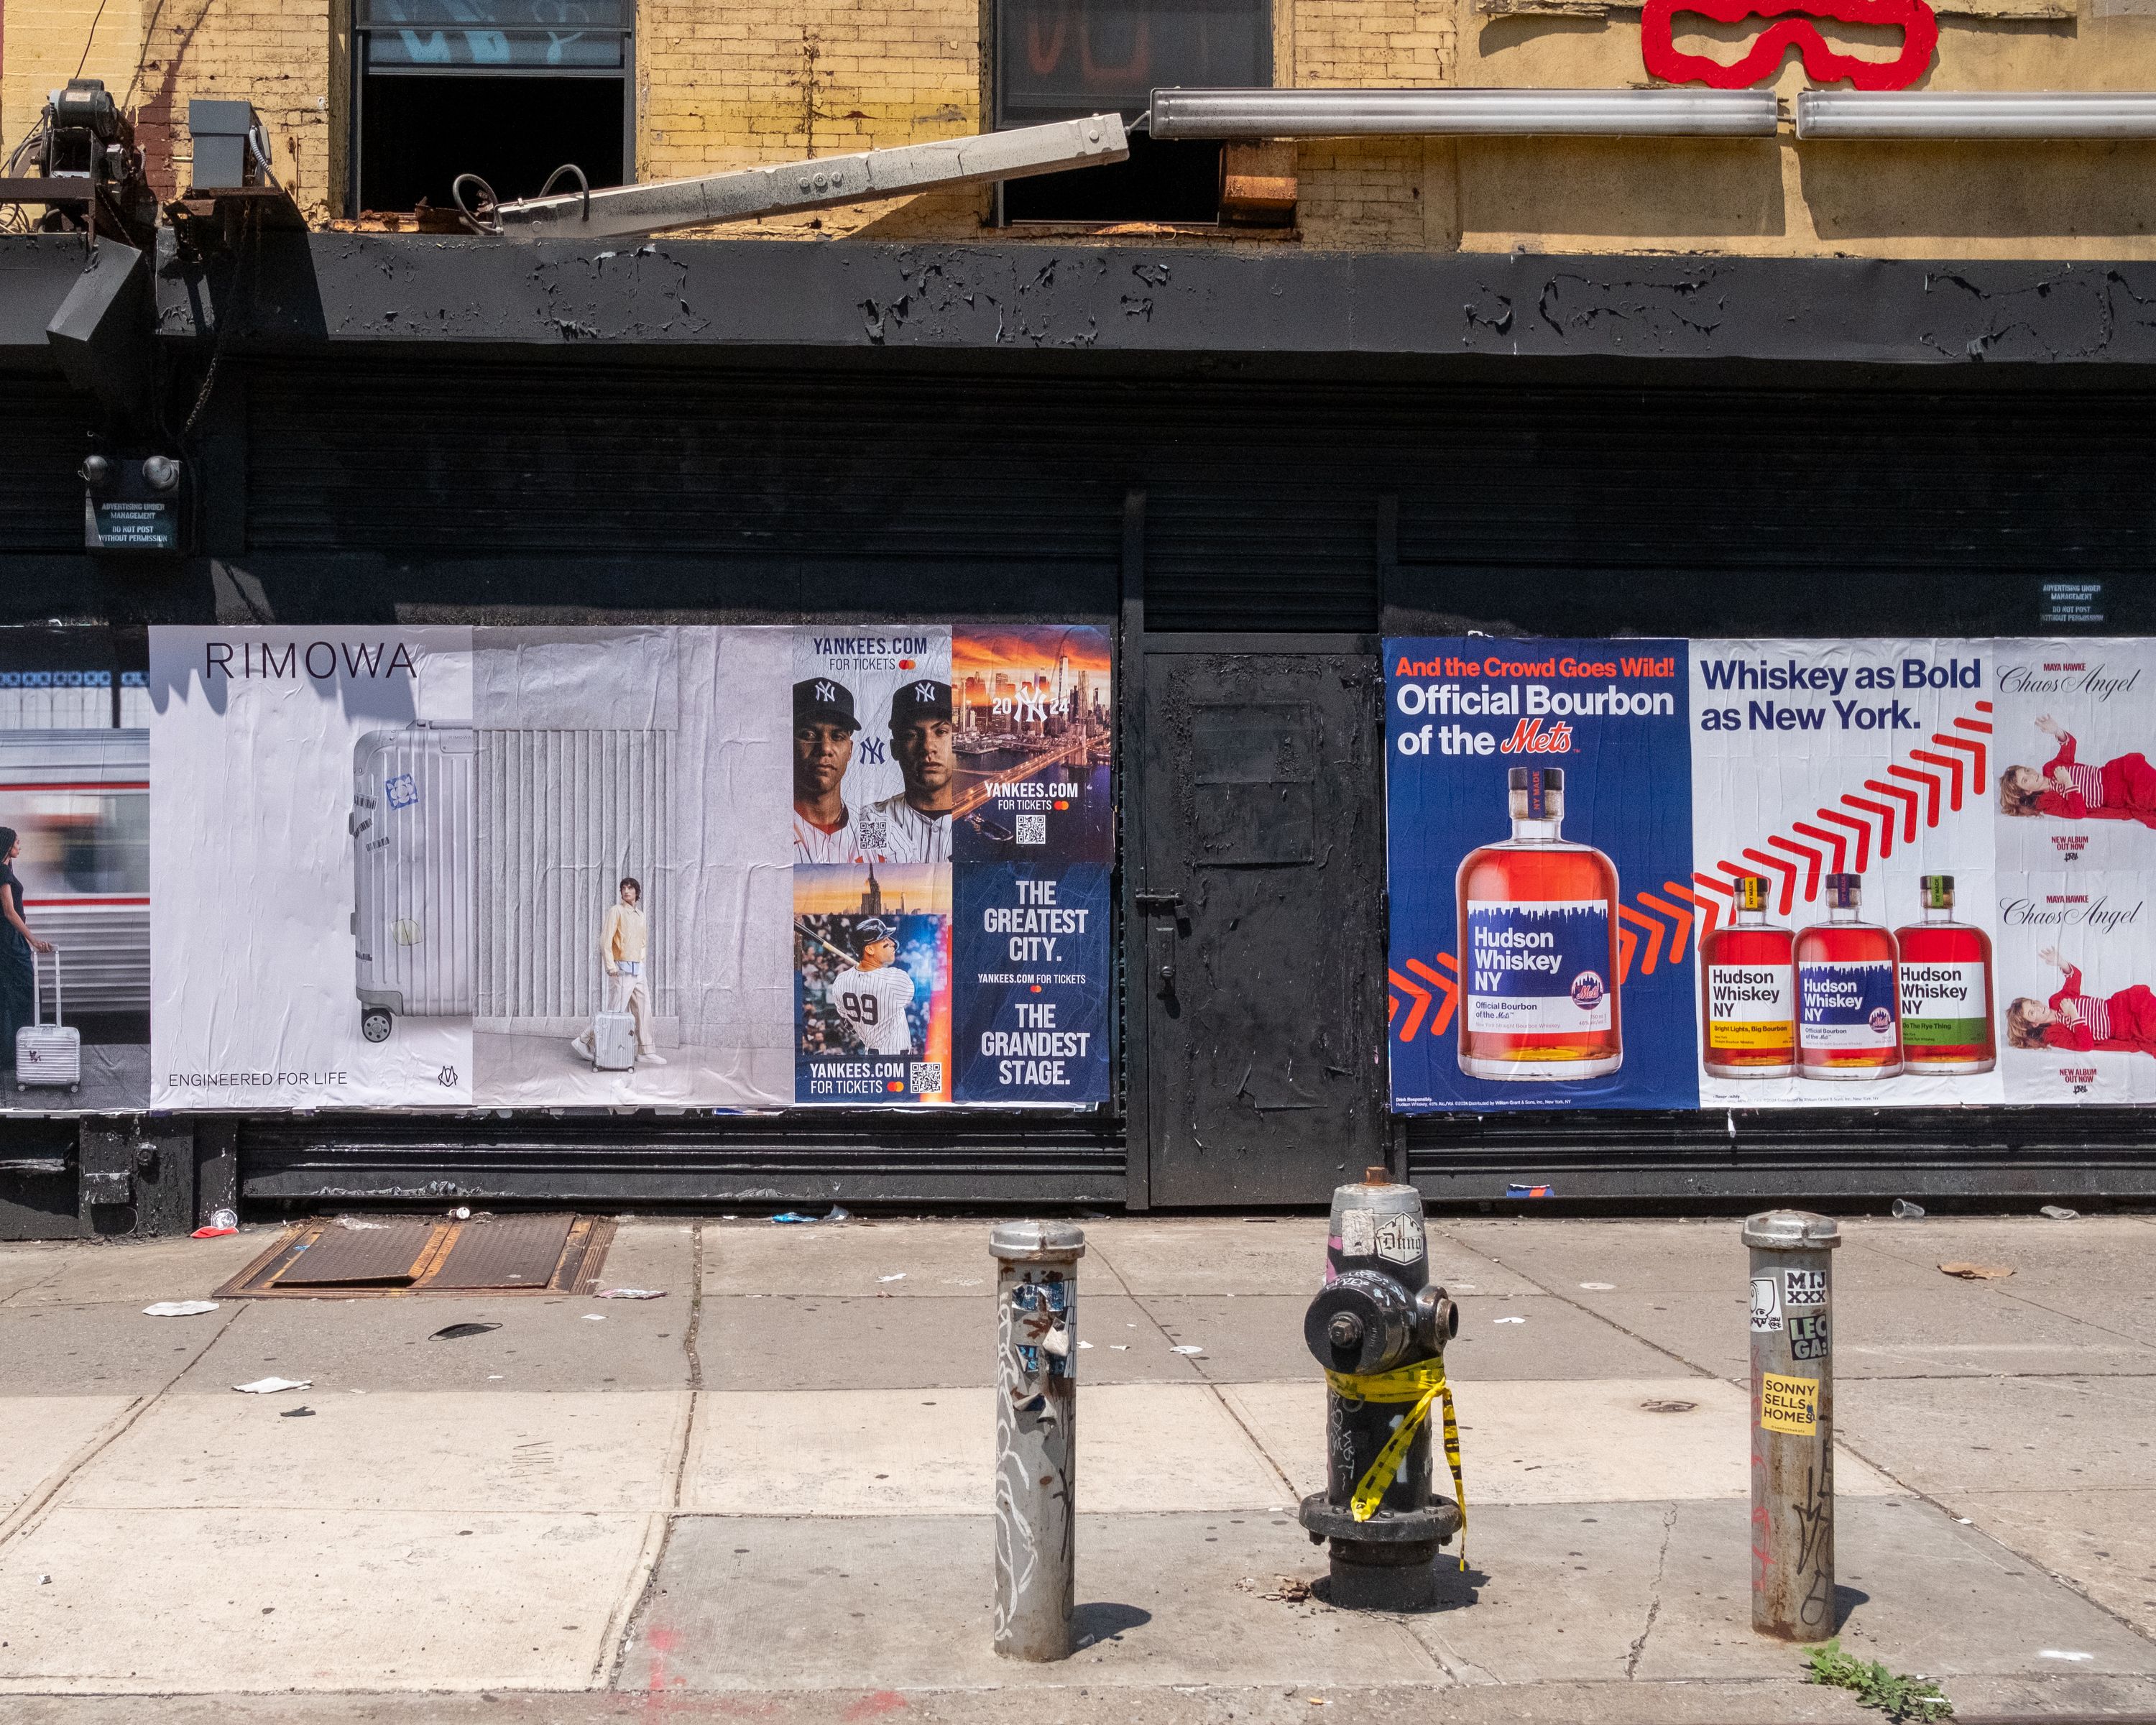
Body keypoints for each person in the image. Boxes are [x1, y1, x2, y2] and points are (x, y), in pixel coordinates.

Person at [571, 876, 668, 1067]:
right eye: (624, 888)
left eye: (630, 888)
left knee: (643, 1008)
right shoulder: (616, 911)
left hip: (638, 969)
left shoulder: (640, 915)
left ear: (637, 892)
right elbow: (605, 940)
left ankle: (646, 1050)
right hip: (622, 969)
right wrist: (611, 966)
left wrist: (641, 962)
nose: (626, 891)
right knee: (615, 1012)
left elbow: (643, 942)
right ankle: (584, 1041)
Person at [859, 678, 954, 865]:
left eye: (941, 732)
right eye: (912, 735)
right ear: (895, 749)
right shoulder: (871, 821)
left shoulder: (981, 828)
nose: (928, 747)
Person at [1999, 714, 2156, 824]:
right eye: (2025, 780)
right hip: (2114, 794)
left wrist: (2057, 731)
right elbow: (2077, 812)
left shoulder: (2050, 768)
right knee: (2146, 793)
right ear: (2027, 792)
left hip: (2110, 773)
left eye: (2027, 770)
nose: (2032, 775)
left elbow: (2069, 747)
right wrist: (2067, 782)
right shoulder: (2046, 801)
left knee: (2134, 762)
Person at [2004, 947, 2156, 1055]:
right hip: (2122, 1026)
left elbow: (2074, 980)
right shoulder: (2053, 1034)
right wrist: (2074, 1015)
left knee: (2140, 995)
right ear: (2034, 1024)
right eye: (2032, 1013)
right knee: (2150, 1025)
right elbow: (2085, 1045)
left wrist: (2061, 962)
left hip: (2117, 1006)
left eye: (2033, 1003)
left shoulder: (2056, 1000)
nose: (2037, 1007)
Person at [0, 827, 54, 1088]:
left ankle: (11, 1056)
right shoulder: (2, 872)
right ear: (7, 845)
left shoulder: (7, 870)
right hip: (10, 943)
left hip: (7, 942)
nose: (20, 845)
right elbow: (10, 912)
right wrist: (32, 939)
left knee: (6, 998)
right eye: (17, 842)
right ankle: (27, 1053)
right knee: (28, 994)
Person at [793, 676, 866, 863]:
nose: (825, 748)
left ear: (850, 750)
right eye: (808, 734)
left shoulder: (877, 829)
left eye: (837, 736)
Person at [830, 916, 916, 1057]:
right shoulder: (895, 979)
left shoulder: (841, 981)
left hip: (871, 1057)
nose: (892, 944)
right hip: (895, 1060)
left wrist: (864, 969)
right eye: (885, 940)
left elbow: (847, 1024)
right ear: (869, 949)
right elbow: (906, 992)